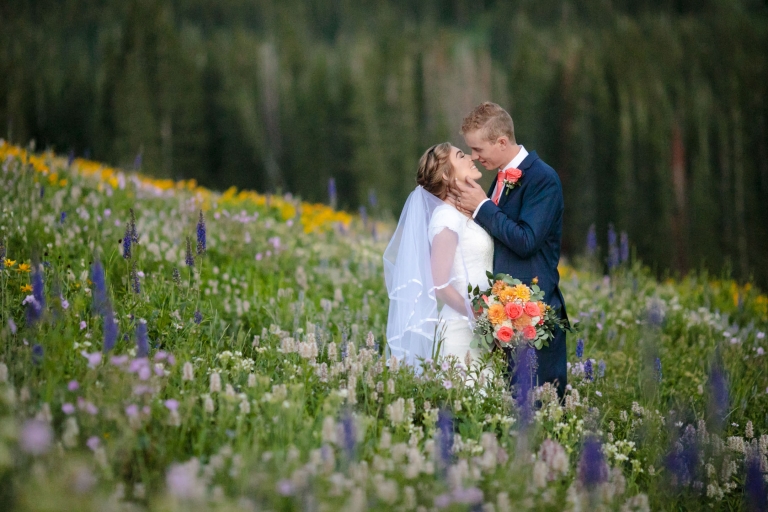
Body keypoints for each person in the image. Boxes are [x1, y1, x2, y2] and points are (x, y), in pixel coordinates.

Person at [451, 102, 569, 398]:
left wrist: (481, 206)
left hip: (535, 314)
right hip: (502, 319)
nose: (475, 158)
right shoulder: (501, 177)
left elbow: (527, 240)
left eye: (478, 150)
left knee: (538, 410)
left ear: (502, 142)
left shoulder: (543, 179)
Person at [384, 143, 493, 370]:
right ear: (445, 175)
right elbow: (440, 284)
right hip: (461, 331)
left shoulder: (465, 213)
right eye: (461, 156)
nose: (470, 159)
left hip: (481, 329)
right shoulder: (446, 218)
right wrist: (482, 318)